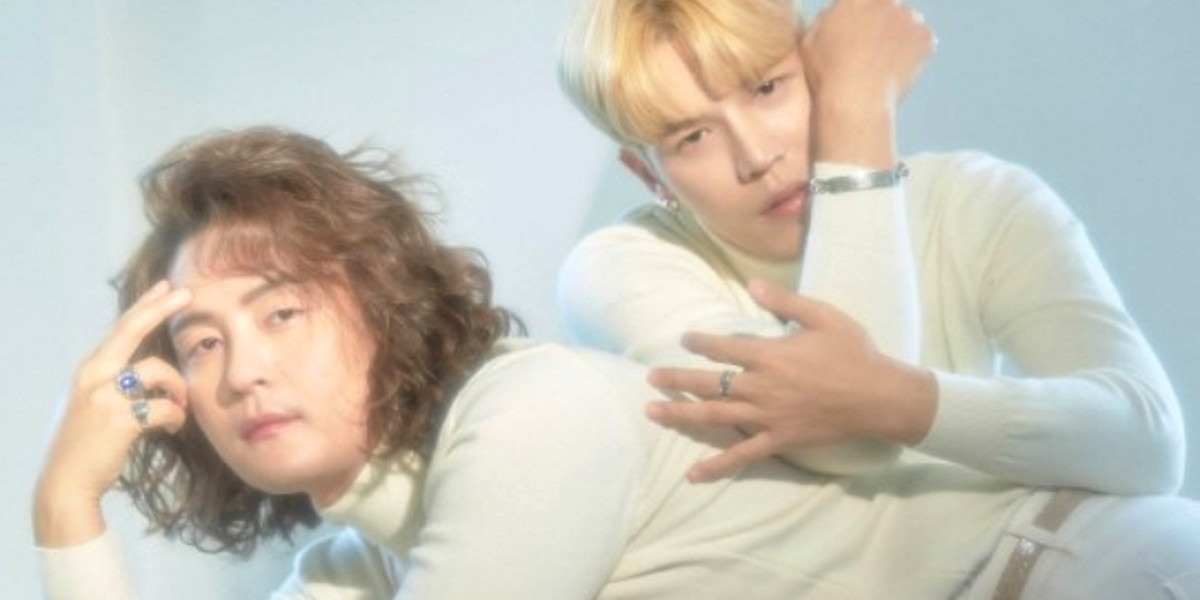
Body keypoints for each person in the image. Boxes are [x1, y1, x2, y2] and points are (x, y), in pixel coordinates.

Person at [38, 126, 1044, 600]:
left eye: (283, 312)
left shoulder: (532, 413)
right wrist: (66, 505)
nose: (242, 372)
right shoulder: (359, 570)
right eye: (201, 343)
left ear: (384, 305)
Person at [556, 0, 1200, 597]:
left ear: (821, 67)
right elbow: (847, 443)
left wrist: (905, 401)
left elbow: (1147, 446)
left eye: (767, 87)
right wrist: (860, 114)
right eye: (692, 137)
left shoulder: (975, 199)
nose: (756, 155)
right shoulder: (622, 266)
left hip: (1091, 558)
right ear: (649, 175)